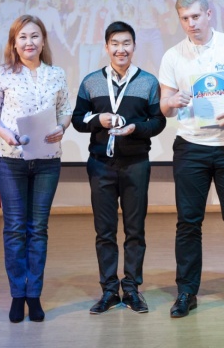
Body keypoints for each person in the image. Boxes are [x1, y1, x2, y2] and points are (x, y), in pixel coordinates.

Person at [159, 0, 224, 318]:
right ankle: (186, 292)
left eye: (195, 16)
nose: (191, 23)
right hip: (191, 147)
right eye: (184, 18)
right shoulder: (172, 56)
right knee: (188, 223)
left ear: (209, 14)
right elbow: (164, 106)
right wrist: (171, 103)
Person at [0, 14, 72, 323]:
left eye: (34, 36)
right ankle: (18, 295)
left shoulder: (56, 74)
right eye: (23, 37)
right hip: (11, 160)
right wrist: (5, 133)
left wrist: (62, 127)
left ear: (43, 41)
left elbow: (66, 109)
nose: (29, 42)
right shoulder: (2, 73)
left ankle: (35, 294)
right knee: (16, 228)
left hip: (47, 161)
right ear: (14, 43)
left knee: (38, 228)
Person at [71, 21, 166, 314]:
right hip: (100, 164)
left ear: (134, 47)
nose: (120, 49)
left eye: (126, 43)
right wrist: (97, 120)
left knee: (135, 230)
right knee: (105, 231)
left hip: (136, 163)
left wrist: (136, 128)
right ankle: (109, 290)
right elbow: (77, 119)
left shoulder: (148, 81)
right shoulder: (91, 81)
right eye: (115, 43)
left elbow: (158, 121)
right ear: (106, 47)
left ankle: (132, 289)